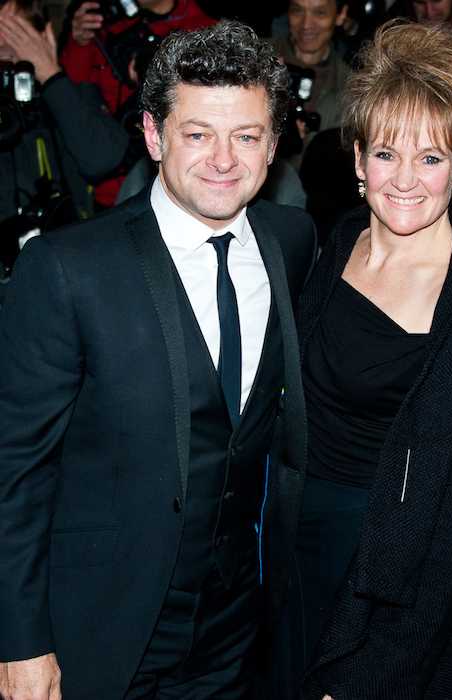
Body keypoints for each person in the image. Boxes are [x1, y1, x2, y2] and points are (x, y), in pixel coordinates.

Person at [0, 20, 316, 700]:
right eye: (198, 134)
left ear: (275, 144)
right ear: (152, 135)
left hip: (239, 627)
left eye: (247, 136)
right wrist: (21, 641)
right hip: (104, 628)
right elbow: (14, 472)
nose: (223, 159)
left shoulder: (292, 240)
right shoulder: (65, 270)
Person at [273, 19, 452, 700]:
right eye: (386, 154)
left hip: (384, 592)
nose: (405, 180)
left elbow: (451, 533)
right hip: (290, 558)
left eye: (431, 158)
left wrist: (369, 673)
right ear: (357, 158)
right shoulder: (337, 244)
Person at [0, 0, 129, 259]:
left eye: (15, 32)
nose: (5, 43)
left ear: (43, 37)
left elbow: (102, 159)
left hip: (71, 256)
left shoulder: (64, 95)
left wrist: (49, 73)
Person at [59, 0, 216, 207]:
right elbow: (71, 98)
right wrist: (79, 42)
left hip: (182, 183)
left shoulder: (206, 30)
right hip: (112, 183)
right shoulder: (105, 26)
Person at [273, 0, 350, 163]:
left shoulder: (350, 86)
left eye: (320, 13)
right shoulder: (255, 57)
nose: (306, 24)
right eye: (297, 11)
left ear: (340, 15)